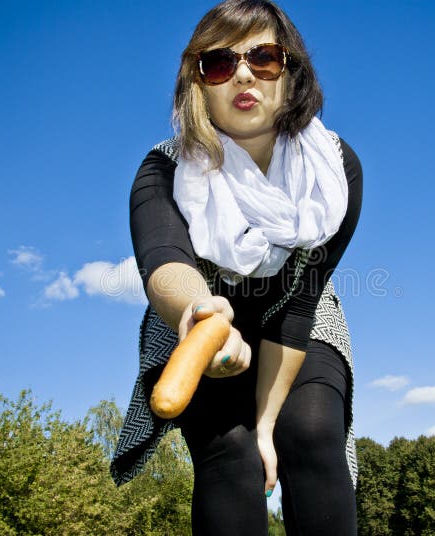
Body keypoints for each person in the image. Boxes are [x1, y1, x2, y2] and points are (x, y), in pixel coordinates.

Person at [109, 0, 362, 534]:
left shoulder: (334, 173)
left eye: (263, 57)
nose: (243, 73)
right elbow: (164, 262)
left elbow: (300, 307)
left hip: (298, 321)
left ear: (290, 72)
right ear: (197, 83)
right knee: (232, 453)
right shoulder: (163, 166)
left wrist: (268, 422)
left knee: (310, 432)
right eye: (219, 63)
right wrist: (200, 312)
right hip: (195, 324)